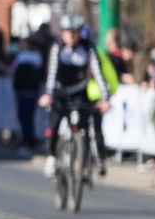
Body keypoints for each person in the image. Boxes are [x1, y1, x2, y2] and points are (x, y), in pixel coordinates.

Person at [40, 15, 110, 179]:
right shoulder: (57, 47)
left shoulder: (88, 48)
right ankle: (51, 156)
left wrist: (105, 98)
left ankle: (84, 162)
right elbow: (51, 72)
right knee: (55, 123)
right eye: (67, 32)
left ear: (80, 33)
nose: (71, 36)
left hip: (79, 92)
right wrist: (49, 94)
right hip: (60, 92)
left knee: (86, 123)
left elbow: (98, 73)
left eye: (74, 33)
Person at [11, 35, 45, 158]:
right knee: (28, 118)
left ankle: (27, 142)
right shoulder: (38, 57)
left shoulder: (24, 57)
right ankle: (29, 141)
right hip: (32, 90)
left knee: (25, 118)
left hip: (25, 90)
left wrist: (17, 87)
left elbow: (18, 76)